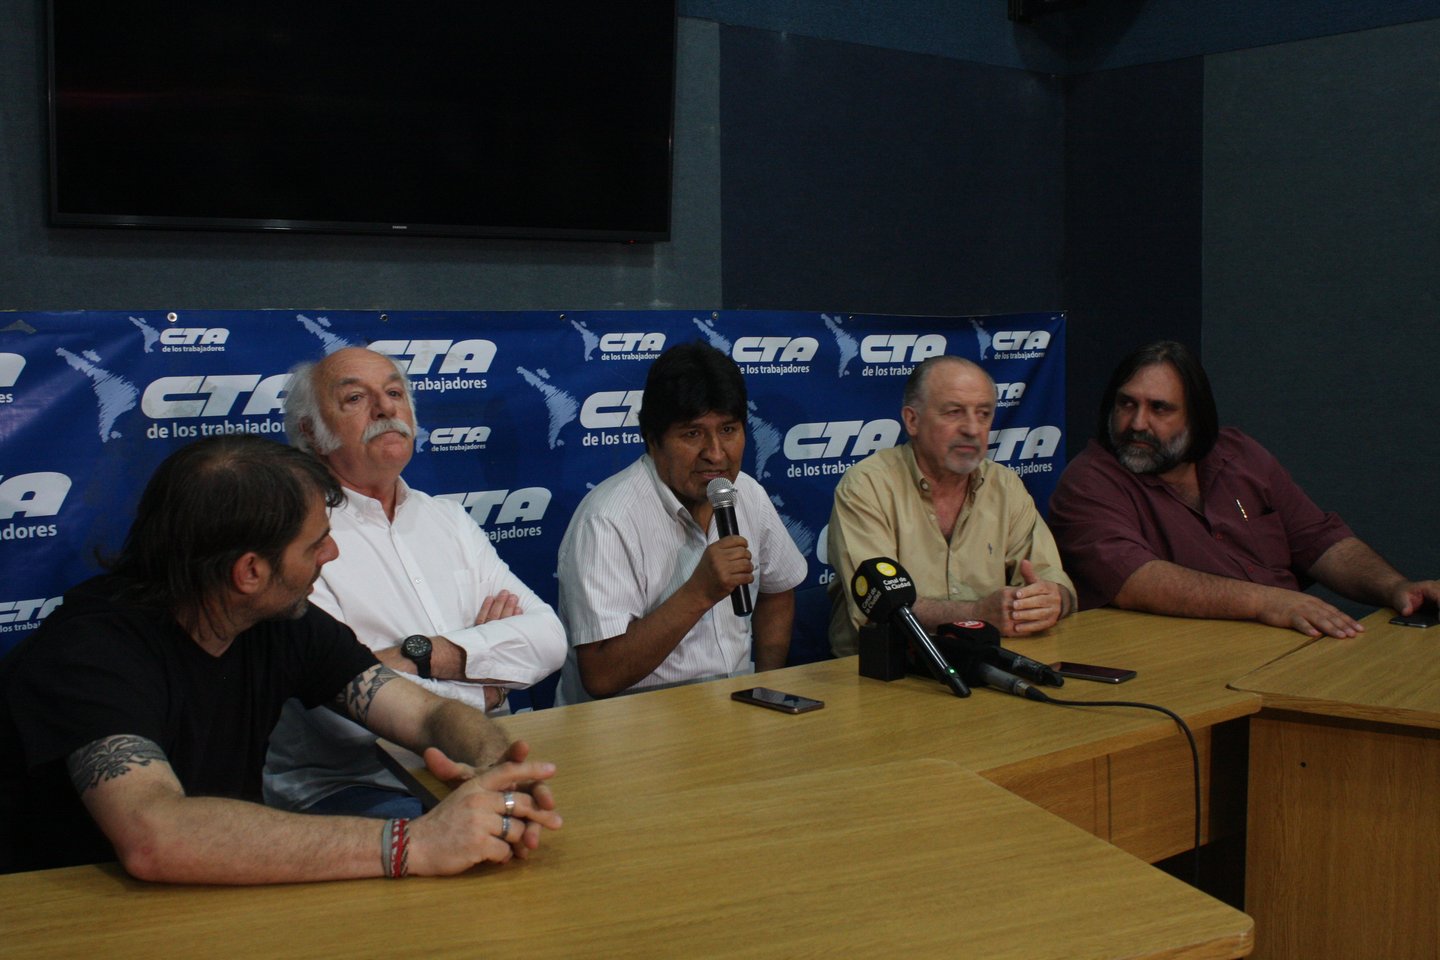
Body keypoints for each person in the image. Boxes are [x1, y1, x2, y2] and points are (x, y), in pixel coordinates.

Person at [0, 435, 560, 881]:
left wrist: (491, 763)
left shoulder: (278, 619)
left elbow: (424, 713)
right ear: (250, 571)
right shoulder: (90, 652)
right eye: (316, 543)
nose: (332, 553)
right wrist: (412, 843)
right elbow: (154, 834)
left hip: (204, 895)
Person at [264, 347, 566, 819]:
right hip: (355, 786)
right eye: (355, 399)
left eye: (394, 393)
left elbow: (548, 640)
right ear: (309, 431)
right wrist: (488, 685)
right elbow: (346, 720)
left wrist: (425, 655)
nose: (384, 409)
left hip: (474, 763)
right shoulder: (295, 536)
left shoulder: (447, 518)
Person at [1048, 339, 1440, 637]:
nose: (1137, 423)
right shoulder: (1089, 481)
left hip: (1292, 644)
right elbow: (1135, 581)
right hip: (1192, 660)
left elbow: (1319, 540)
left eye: (1159, 408)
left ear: (1196, 417)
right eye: (1126, 404)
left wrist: (1396, 588)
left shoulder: (1239, 454)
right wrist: (1268, 602)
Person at [555, 341, 807, 703]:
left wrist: (767, 689)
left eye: (728, 430)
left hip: (734, 710)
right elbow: (601, 675)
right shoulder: (606, 520)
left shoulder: (747, 493)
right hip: (633, 725)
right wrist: (699, 592)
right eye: (692, 434)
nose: (715, 454)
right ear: (652, 439)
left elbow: (778, 591)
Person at [827, 355, 1075, 655]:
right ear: (912, 420)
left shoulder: (1005, 486)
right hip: (886, 666)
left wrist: (1052, 599)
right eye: (954, 412)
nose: (972, 428)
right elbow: (877, 607)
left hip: (984, 658)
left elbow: (1052, 578)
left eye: (983, 414)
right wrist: (978, 613)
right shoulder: (867, 487)